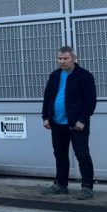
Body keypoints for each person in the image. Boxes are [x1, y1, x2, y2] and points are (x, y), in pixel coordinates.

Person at [41, 46, 98, 200]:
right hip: (57, 124)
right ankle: (61, 185)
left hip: (76, 124)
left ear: (74, 58)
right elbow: (47, 98)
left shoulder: (84, 76)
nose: (62, 61)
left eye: (65, 58)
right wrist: (45, 117)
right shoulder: (54, 76)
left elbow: (90, 101)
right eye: (59, 58)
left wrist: (82, 120)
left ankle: (87, 187)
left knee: (82, 155)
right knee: (60, 155)